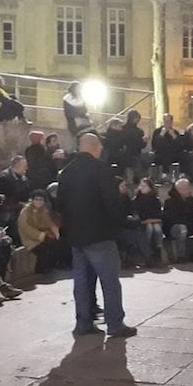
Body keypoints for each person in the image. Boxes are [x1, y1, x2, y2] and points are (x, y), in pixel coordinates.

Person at [58, 133, 136, 337]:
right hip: (100, 234)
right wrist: (119, 220)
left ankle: (83, 323)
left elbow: (60, 205)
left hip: (76, 236)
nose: (101, 149)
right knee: (109, 280)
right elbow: (110, 201)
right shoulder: (101, 169)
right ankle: (115, 323)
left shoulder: (65, 172)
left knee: (81, 282)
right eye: (100, 145)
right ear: (94, 147)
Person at [18, 190, 69, 273]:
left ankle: (61, 263)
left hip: (43, 234)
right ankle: (40, 268)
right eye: (36, 199)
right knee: (46, 247)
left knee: (60, 242)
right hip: (30, 238)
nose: (38, 202)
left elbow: (48, 223)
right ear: (32, 200)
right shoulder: (26, 211)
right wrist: (41, 235)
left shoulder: (44, 210)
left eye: (41, 199)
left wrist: (56, 232)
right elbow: (25, 228)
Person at [163, 178, 193, 262]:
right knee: (182, 228)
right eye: (186, 189)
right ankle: (181, 256)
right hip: (173, 228)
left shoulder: (191, 200)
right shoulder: (169, 202)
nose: (189, 190)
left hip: (189, 225)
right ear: (179, 190)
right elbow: (174, 220)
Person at [0, 155, 31, 235]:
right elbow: (4, 198)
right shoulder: (4, 179)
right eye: (24, 166)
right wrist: (20, 204)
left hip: (21, 206)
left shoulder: (24, 179)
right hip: (8, 209)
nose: (27, 169)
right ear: (17, 166)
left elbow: (26, 194)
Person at [133, 177, 165, 266]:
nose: (142, 187)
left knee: (157, 228)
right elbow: (138, 215)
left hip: (154, 221)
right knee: (150, 227)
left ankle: (158, 250)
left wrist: (151, 220)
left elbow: (159, 215)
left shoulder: (155, 200)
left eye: (145, 186)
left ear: (150, 188)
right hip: (142, 223)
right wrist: (147, 220)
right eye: (141, 186)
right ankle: (147, 252)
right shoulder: (136, 200)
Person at [151, 114, 187, 182]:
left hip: (174, 154)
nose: (167, 123)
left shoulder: (175, 132)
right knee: (166, 152)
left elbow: (181, 146)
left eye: (169, 121)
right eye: (166, 121)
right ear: (163, 122)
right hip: (160, 154)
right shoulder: (157, 131)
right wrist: (161, 135)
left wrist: (174, 136)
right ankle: (165, 174)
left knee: (185, 154)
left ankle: (183, 174)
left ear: (171, 122)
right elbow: (155, 145)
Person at [120, 110, 148, 181]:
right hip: (129, 153)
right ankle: (142, 178)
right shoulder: (137, 131)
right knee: (135, 160)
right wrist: (143, 141)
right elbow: (139, 144)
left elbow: (140, 145)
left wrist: (143, 142)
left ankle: (138, 177)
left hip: (132, 153)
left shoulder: (123, 129)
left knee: (146, 158)